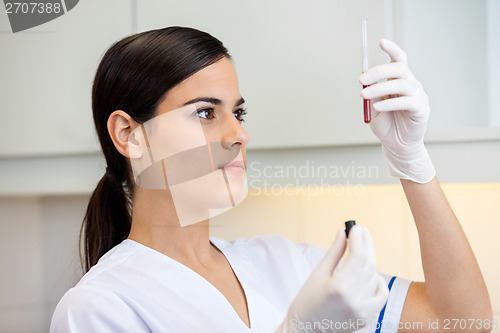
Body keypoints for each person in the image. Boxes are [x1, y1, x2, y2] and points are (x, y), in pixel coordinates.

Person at [50, 26, 492, 332]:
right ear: (129, 134)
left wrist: (410, 160)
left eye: (237, 112)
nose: (238, 134)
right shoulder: (100, 308)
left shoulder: (285, 263)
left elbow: (464, 322)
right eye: (206, 112)